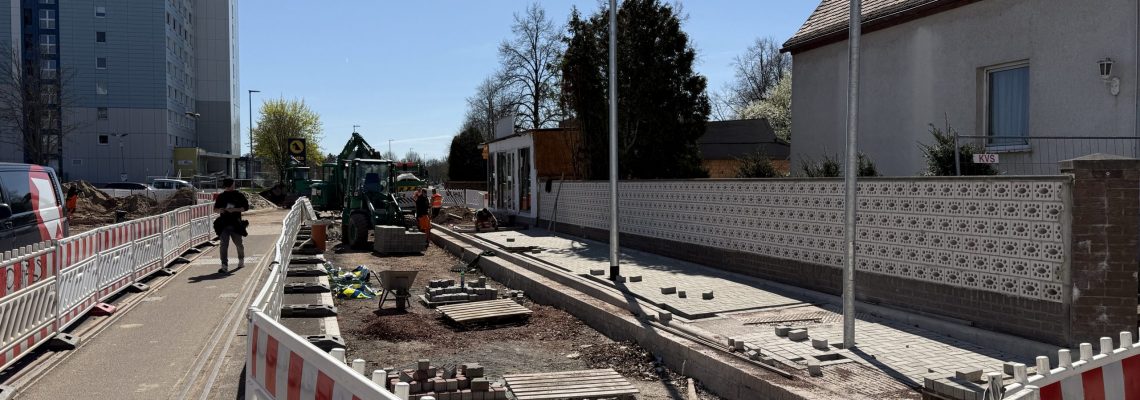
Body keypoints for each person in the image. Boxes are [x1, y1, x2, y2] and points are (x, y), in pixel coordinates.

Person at [213, 178, 249, 274]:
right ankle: (224, 266)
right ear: (230, 185)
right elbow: (215, 209)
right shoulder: (221, 196)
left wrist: (234, 210)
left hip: (236, 224)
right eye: (233, 184)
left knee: (239, 244)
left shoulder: (239, 195)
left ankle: (241, 260)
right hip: (224, 224)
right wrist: (221, 210)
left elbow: (245, 208)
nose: (234, 185)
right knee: (223, 245)